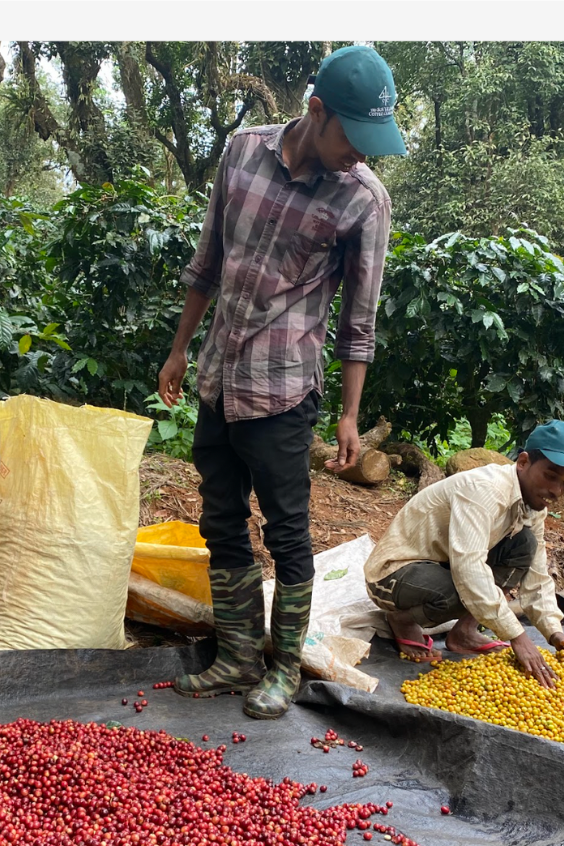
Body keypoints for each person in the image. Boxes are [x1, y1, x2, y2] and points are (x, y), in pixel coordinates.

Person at [157, 45, 407, 719]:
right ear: (316, 112)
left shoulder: (364, 202)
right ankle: (237, 655)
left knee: (289, 532)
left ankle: (285, 665)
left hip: (284, 391)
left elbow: (360, 321)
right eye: (355, 139)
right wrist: (180, 351)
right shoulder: (241, 152)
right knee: (221, 520)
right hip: (218, 379)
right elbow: (206, 261)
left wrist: (350, 416)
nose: (363, 156)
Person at [363, 420, 564, 688]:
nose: (556, 491)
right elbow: (469, 570)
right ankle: (402, 619)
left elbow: (536, 573)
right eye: (551, 476)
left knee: (524, 545)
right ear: (523, 462)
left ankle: (464, 632)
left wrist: (555, 633)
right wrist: (517, 637)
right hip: (394, 572)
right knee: (462, 589)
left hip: (442, 565)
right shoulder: (485, 490)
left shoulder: (533, 506)